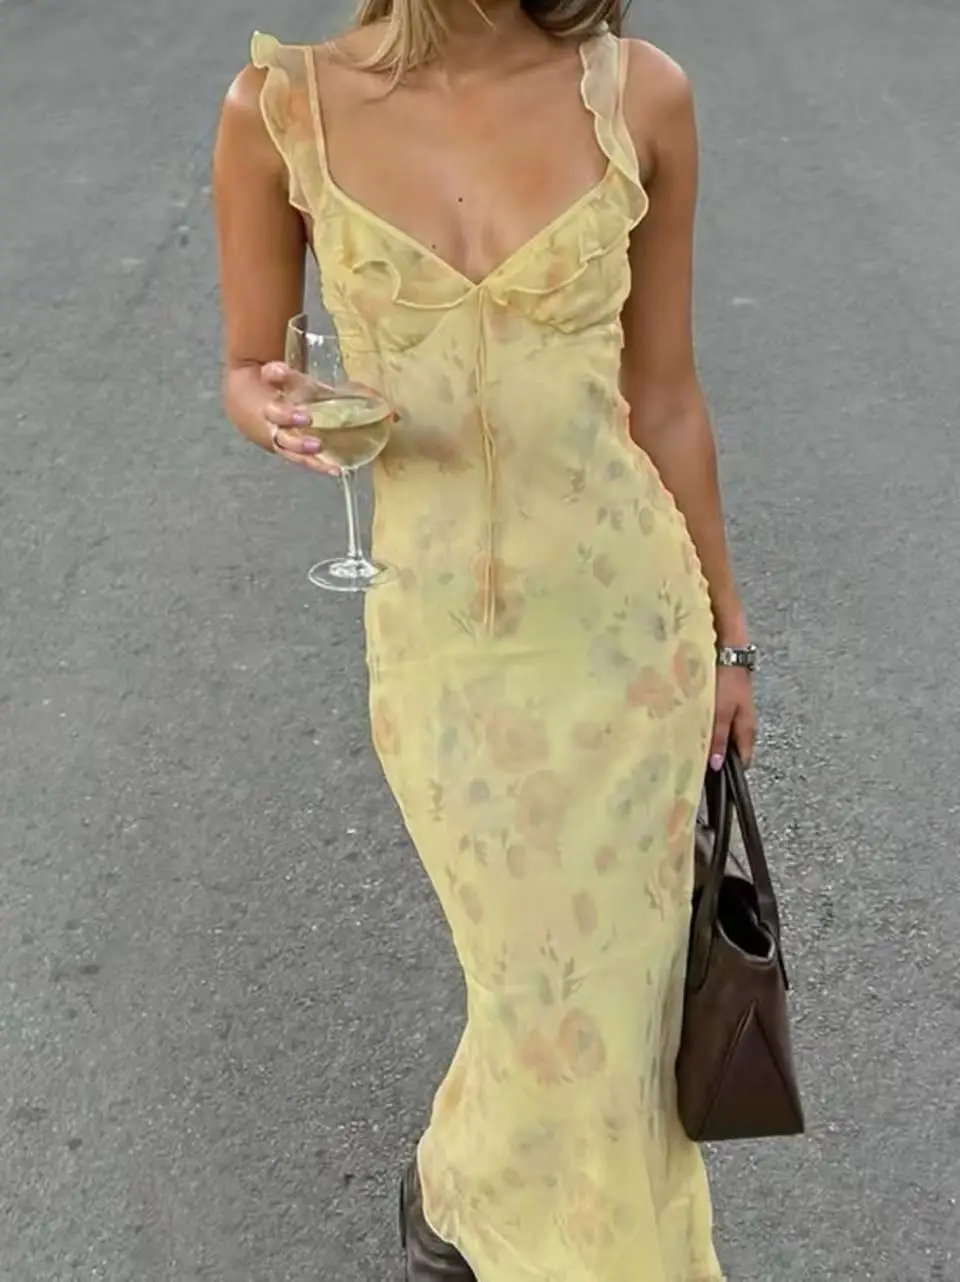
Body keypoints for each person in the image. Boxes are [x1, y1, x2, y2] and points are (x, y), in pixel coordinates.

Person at [213, 0, 757, 1278]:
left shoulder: (641, 96)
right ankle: (465, 1190)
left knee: (615, 1011)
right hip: (442, 643)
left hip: (631, 634)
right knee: (529, 987)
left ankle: (520, 1232)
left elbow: (666, 394)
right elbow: (246, 363)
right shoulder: (278, 113)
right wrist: (272, 408)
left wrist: (729, 638)